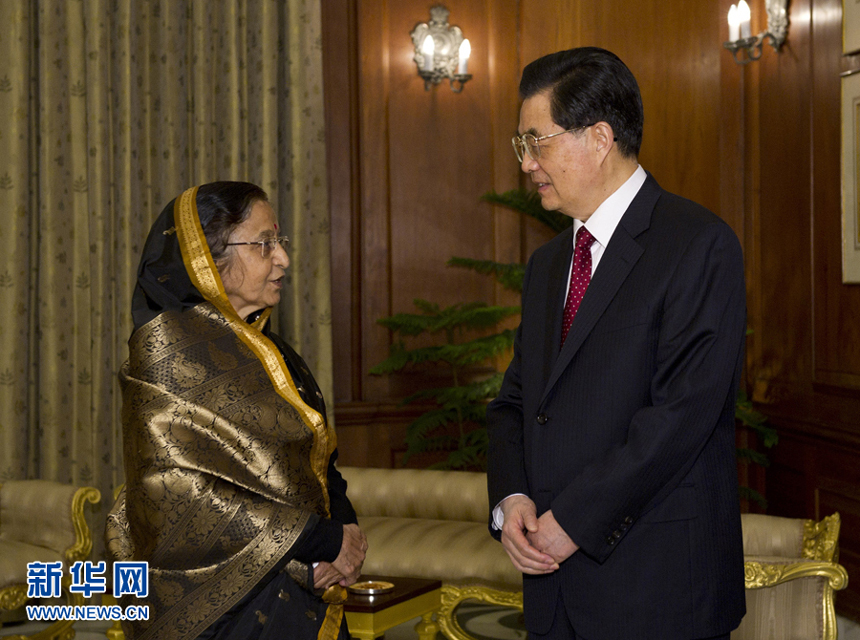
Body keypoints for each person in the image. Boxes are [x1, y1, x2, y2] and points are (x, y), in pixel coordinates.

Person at [486, 48, 747, 640]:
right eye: (520, 145)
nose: (527, 164)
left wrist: (572, 521)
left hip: (655, 591)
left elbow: (680, 417)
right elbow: (516, 403)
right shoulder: (549, 264)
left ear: (599, 138)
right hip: (554, 591)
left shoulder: (697, 245)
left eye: (537, 142)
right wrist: (513, 500)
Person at [106, 182, 366, 640]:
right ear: (207, 259)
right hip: (222, 607)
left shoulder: (270, 353)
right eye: (264, 244)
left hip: (302, 583)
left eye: (279, 242)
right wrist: (323, 541)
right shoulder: (163, 357)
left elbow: (318, 460)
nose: (282, 258)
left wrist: (345, 531)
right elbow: (177, 493)